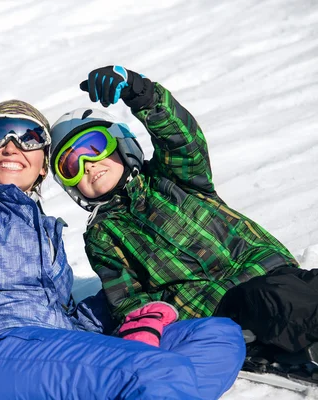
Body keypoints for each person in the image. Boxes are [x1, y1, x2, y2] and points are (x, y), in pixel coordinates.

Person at [0, 25, 246, 400]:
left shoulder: (44, 233)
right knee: (156, 369)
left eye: (30, 137)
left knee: (216, 334)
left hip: (47, 347)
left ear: (43, 166)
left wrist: (134, 306)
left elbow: (55, 314)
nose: (12, 145)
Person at [49, 65, 318, 367]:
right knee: (273, 301)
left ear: (122, 144)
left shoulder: (170, 178)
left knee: (297, 291)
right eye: (70, 165)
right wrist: (143, 325)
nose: (87, 164)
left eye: (95, 146)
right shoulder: (103, 235)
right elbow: (126, 297)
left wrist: (140, 93)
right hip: (218, 305)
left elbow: (182, 139)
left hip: (271, 269)